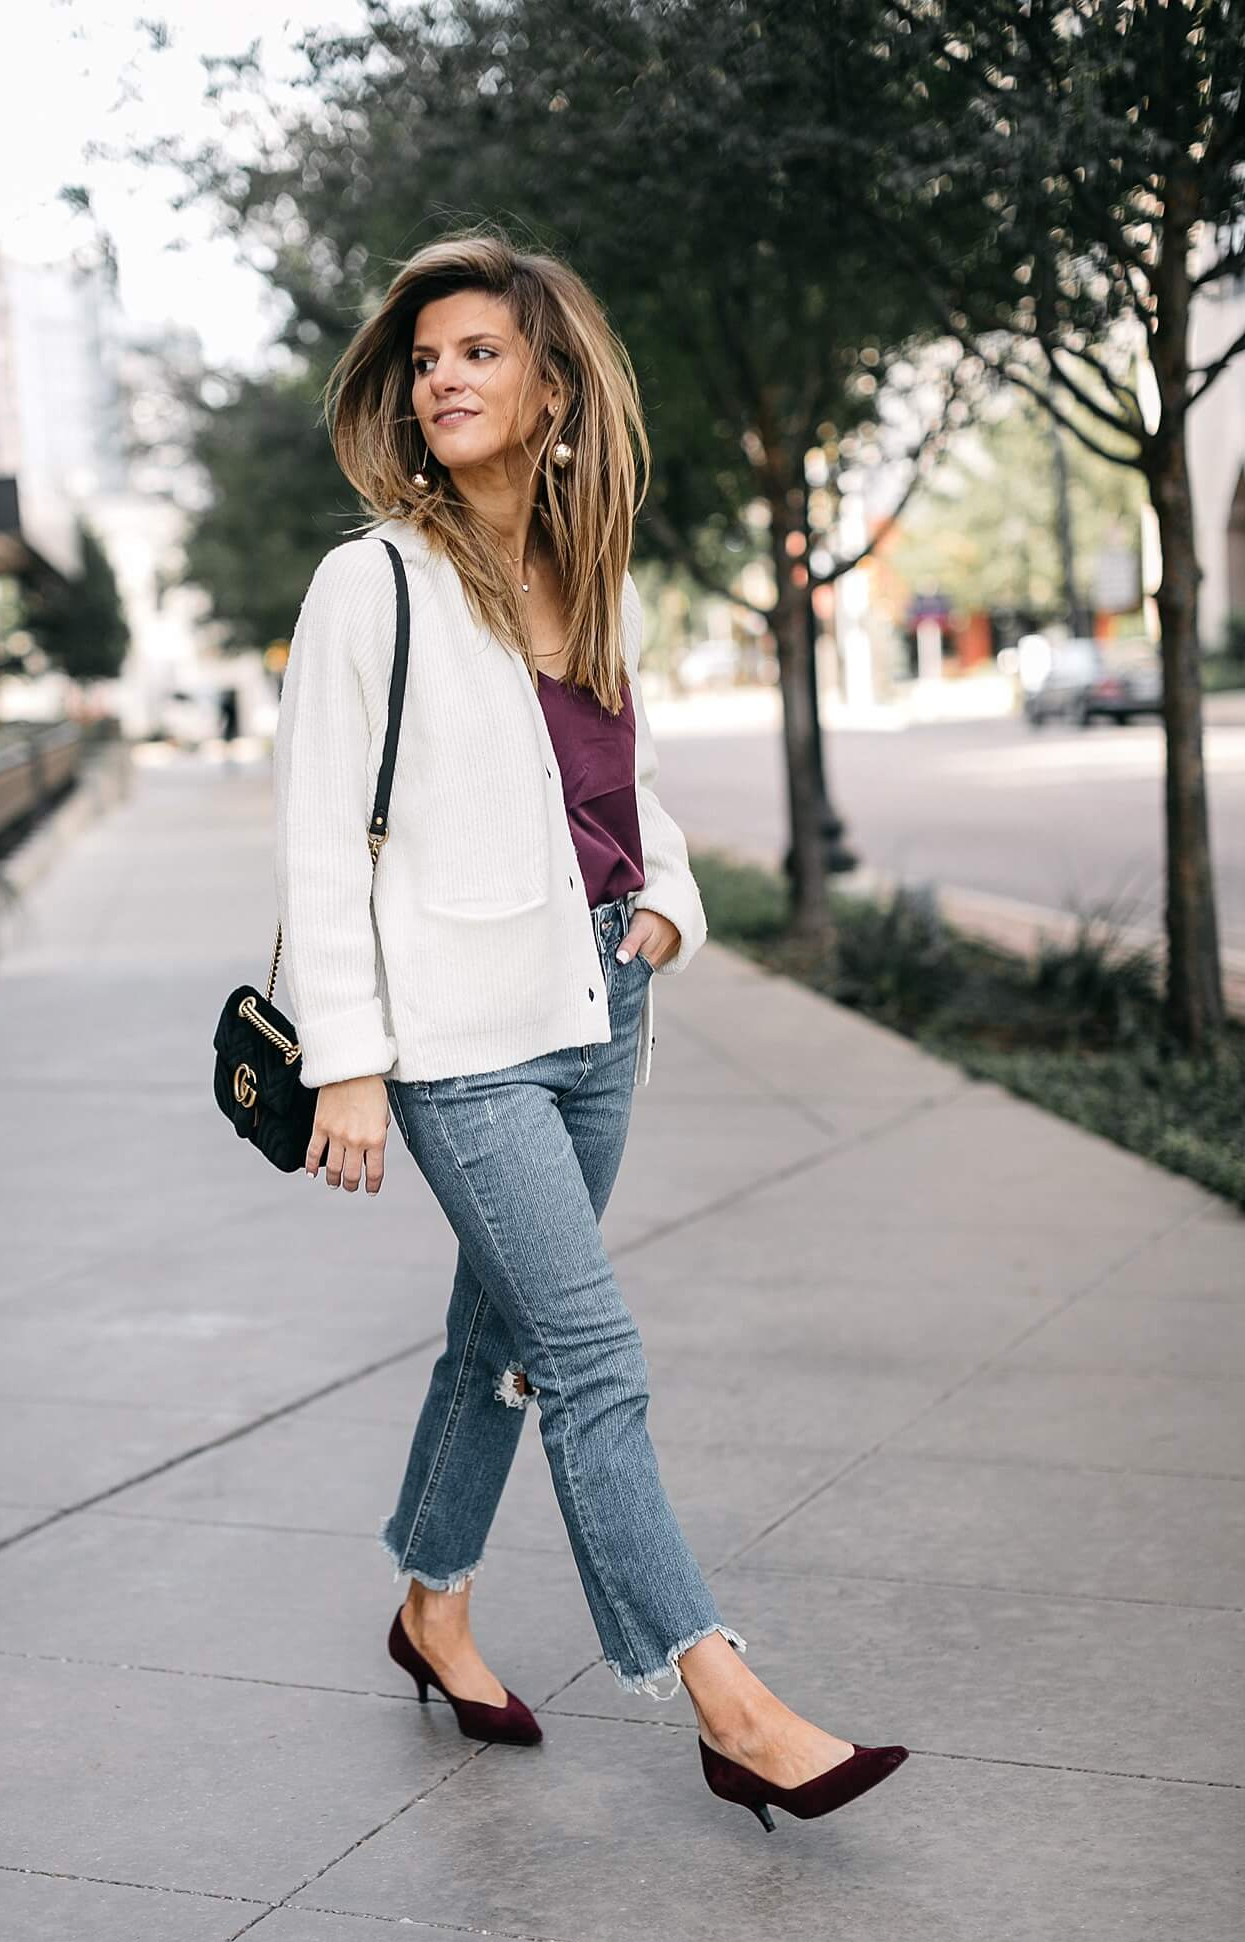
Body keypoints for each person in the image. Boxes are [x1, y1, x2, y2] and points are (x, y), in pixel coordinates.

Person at [272, 232, 907, 1834]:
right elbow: (313, 831)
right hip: (459, 1043)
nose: (445, 381)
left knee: (501, 1339)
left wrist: (670, 909)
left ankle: (431, 1607)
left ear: (551, 382)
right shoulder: (373, 582)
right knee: (590, 1357)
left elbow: (618, 790)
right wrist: (348, 1055)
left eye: (480, 352)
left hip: (597, 1011)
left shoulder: (587, 562)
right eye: (425, 362)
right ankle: (720, 1693)